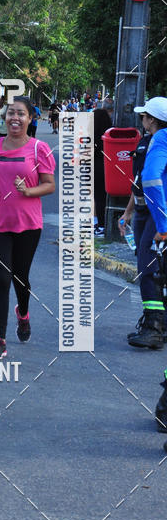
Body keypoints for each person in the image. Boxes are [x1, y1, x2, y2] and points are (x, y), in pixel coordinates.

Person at [0, 96, 56, 359]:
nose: (14, 118)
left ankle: (23, 313)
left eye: (21, 114)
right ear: (4, 118)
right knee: (1, 278)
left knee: (21, 277)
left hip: (28, 224)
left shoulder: (39, 149)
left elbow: (49, 184)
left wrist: (28, 191)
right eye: (10, 114)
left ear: (31, 119)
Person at [121, 97, 167, 350]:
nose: (142, 120)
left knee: (148, 267)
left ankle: (154, 329)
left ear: (152, 119)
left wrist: (162, 225)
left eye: (144, 116)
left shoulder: (161, 139)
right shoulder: (147, 142)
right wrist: (128, 212)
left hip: (156, 213)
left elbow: (151, 180)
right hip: (144, 212)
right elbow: (140, 180)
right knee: (154, 266)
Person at [93, 108, 113, 236]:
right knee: (104, 197)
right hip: (110, 168)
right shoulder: (109, 135)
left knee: (99, 197)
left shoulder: (93, 136)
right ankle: (102, 223)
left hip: (97, 167)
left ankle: (101, 225)